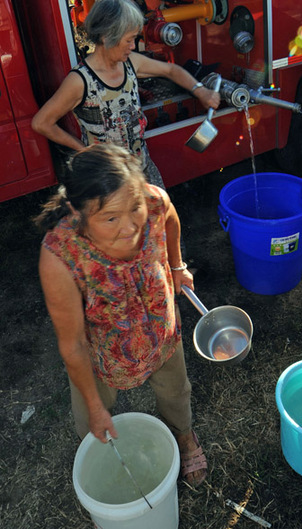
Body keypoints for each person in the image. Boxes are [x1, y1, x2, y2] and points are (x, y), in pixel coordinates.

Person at [37, 143, 208, 486]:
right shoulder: (60, 256)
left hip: (160, 325)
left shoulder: (152, 201)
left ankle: (184, 435)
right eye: (110, 218)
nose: (130, 227)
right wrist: (96, 408)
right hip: (101, 349)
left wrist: (177, 265)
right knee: (91, 417)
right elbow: (72, 346)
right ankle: (99, 457)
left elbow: (169, 215)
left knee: (176, 390)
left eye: (134, 208)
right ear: (77, 211)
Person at [32, 0, 220, 187]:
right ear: (107, 37)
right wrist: (82, 150)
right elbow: (41, 123)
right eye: (129, 40)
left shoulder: (131, 63)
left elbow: (171, 70)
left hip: (142, 169)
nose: (133, 46)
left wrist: (200, 90)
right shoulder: (80, 81)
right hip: (108, 181)